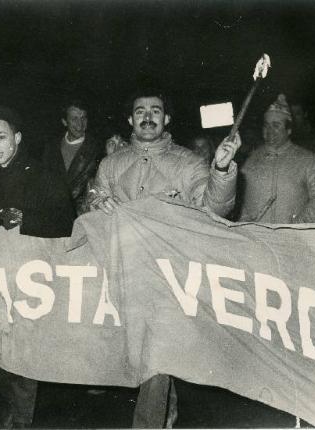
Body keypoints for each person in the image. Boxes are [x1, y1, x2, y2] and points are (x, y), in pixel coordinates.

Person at [87, 89, 241, 428]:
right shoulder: (111, 164)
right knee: (143, 353)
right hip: (125, 271)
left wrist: (221, 169)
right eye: (140, 110)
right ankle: (166, 407)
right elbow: (93, 206)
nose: (148, 117)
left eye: (155, 111)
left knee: (155, 352)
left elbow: (214, 208)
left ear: (166, 119)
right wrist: (96, 203)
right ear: (130, 119)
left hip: (169, 277)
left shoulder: (187, 162)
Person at [0, 105, 75, 428]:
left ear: (17, 137)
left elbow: (67, 222)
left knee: (21, 351)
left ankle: (21, 418)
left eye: (1, 137)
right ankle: (18, 407)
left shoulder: (42, 173)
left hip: (32, 281)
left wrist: (26, 220)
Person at [239, 94, 315, 223]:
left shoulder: (309, 160)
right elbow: (241, 198)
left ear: (288, 130)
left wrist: (300, 223)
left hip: (291, 238)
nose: (269, 131)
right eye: (266, 125)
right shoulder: (251, 159)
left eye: (276, 125)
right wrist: (245, 224)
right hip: (257, 237)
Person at [43, 100, 103, 216]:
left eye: (83, 118)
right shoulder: (51, 147)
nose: (80, 124)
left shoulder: (98, 149)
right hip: (52, 214)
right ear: (64, 122)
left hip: (82, 216)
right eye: (74, 119)